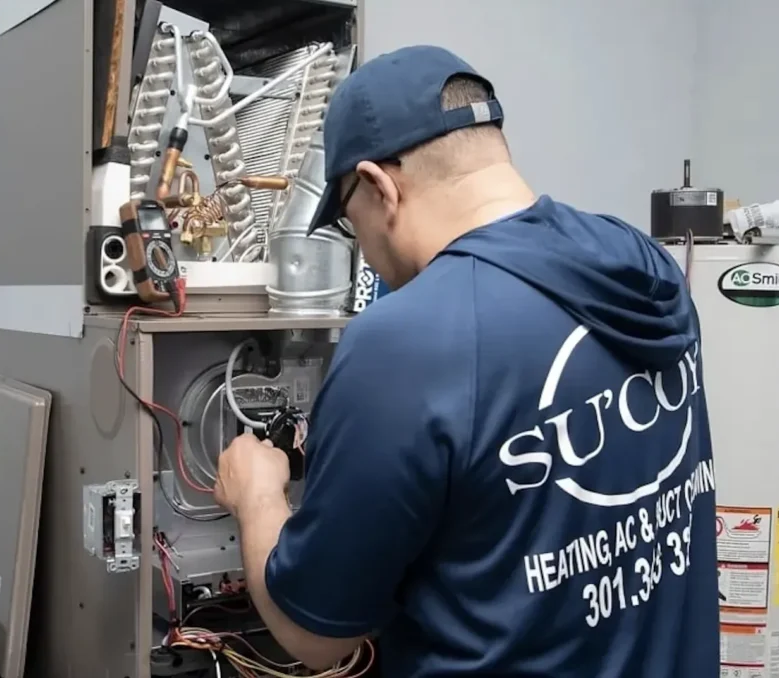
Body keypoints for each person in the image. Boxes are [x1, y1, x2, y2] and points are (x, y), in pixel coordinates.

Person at [213, 44, 718, 677]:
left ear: (377, 185)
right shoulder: (639, 262)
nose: (363, 250)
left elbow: (315, 636)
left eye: (348, 220)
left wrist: (256, 493)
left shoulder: (405, 341)